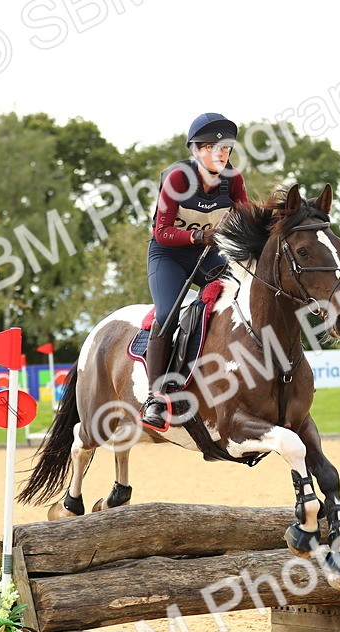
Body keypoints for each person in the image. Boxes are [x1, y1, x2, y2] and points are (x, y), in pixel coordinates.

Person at [141, 112, 250, 431]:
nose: (222, 154)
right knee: (169, 312)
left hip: (208, 255)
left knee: (241, 297)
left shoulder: (233, 180)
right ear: (195, 151)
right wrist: (196, 235)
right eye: (214, 148)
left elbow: (247, 220)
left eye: (227, 148)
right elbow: (161, 231)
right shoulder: (177, 179)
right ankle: (157, 396)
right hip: (169, 255)